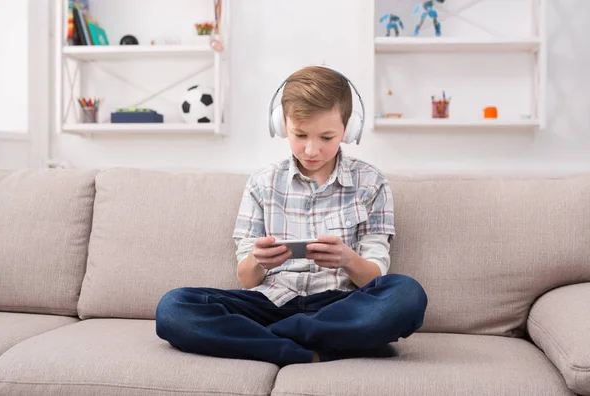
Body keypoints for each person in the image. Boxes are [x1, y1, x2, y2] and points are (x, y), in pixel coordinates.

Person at [156, 65, 428, 367]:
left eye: (327, 137)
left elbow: (375, 278)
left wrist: (348, 260)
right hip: (270, 301)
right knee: (174, 308)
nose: (312, 149)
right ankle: (316, 351)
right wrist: (259, 260)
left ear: (348, 129)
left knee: (407, 295)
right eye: (300, 135)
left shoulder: (371, 182)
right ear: (282, 124)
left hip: (339, 305)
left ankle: (269, 339)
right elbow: (246, 279)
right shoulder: (262, 183)